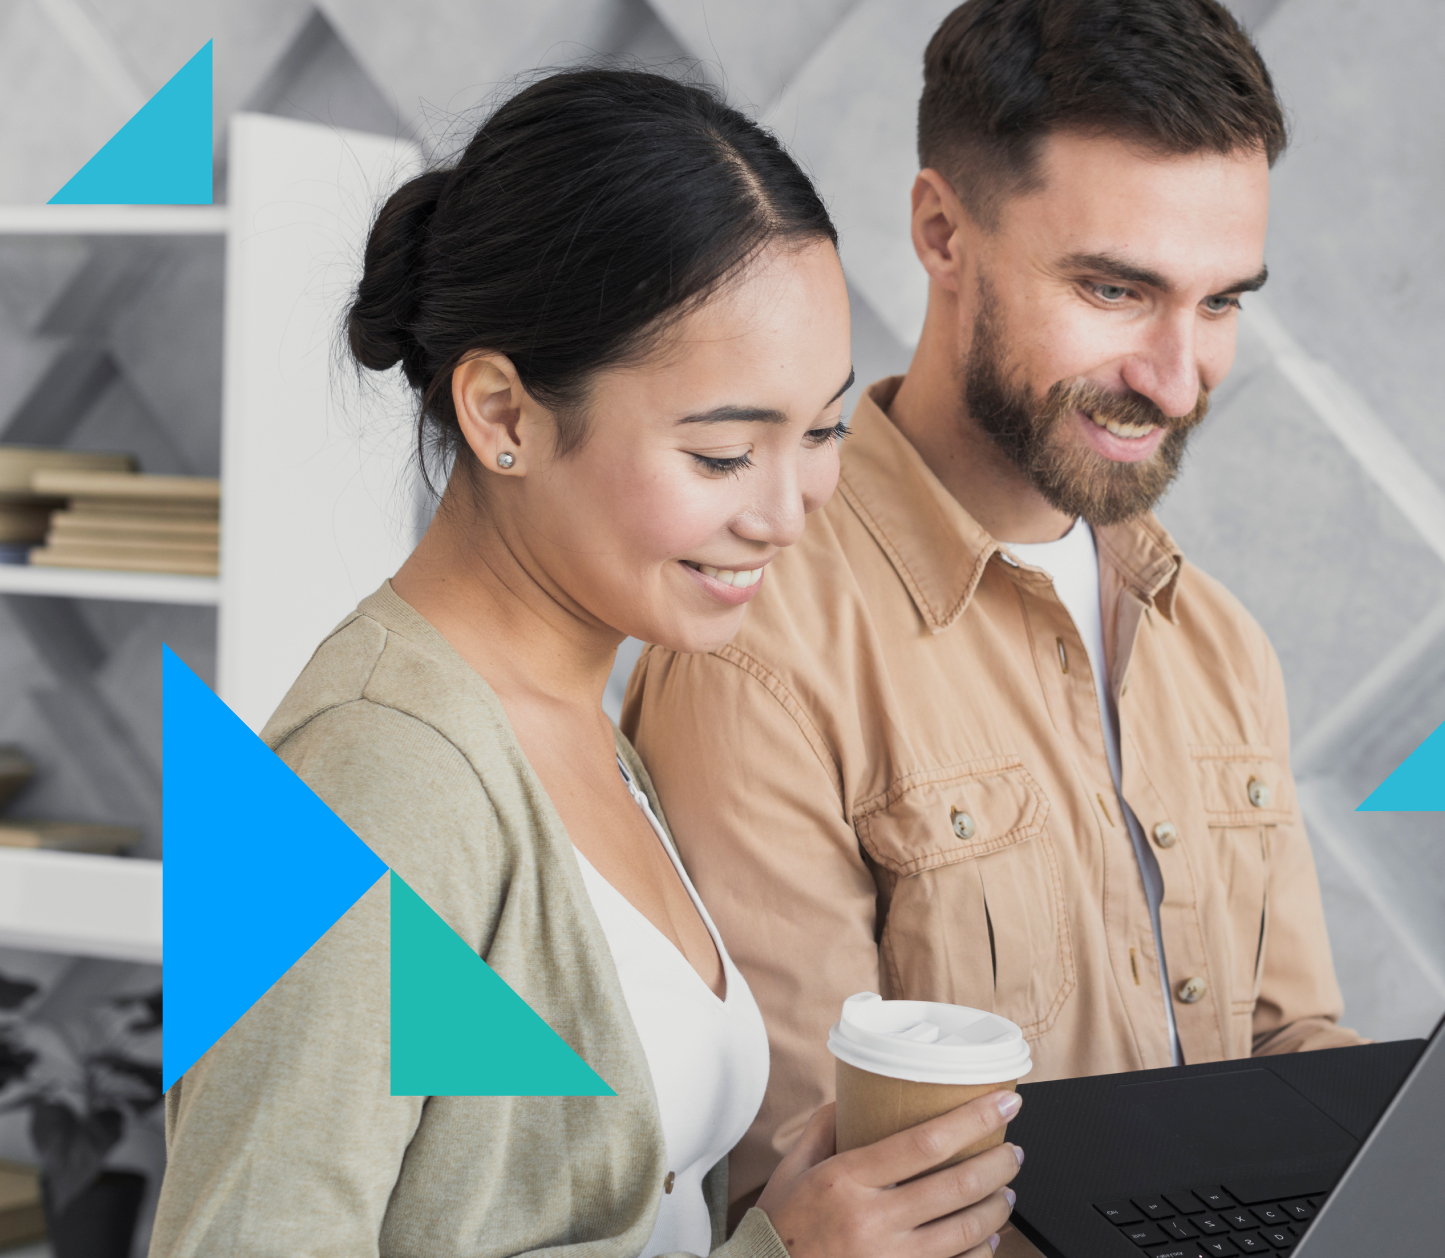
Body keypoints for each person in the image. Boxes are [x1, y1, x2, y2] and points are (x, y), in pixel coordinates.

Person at [151, 69, 1019, 1258]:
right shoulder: (369, 772)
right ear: (503, 415)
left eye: (820, 432)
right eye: (722, 453)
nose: (786, 510)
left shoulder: (580, 718)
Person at [623, 0, 1365, 1236]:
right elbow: (817, 1197)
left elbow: (1295, 1059)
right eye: (1117, 289)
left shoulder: (1217, 644)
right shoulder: (756, 643)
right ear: (939, 232)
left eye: (1223, 301)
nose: (1178, 378)